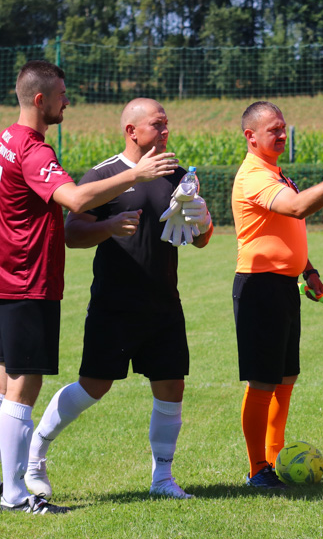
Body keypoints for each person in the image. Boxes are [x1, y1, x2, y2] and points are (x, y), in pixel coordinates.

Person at [0, 61, 177, 514]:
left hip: (11, 277)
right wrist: (134, 177)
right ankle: (17, 495)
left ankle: (10, 486)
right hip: (27, 280)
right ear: (40, 100)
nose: (67, 102)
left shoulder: (5, 142)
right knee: (23, 386)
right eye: (61, 95)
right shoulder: (34, 150)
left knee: (7, 387)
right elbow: (76, 202)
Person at [25, 98, 214, 502]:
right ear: (132, 131)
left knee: (171, 387)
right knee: (94, 386)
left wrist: (202, 218)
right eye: (158, 125)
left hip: (164, 303)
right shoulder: (104, 174)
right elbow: (71, 233)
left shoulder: (177, 175)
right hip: (115, 304)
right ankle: (36, 452)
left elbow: (200, 240)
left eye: (167, 124)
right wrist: (109, 226)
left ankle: (162, 479)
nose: (166, 131)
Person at [232, 101, 323, 488]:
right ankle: (257, 468)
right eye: (273, 130)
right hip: (258, 287)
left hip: (283, 285)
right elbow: (296, 208)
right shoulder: (253, 176)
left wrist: (307, 268)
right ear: (251, 136)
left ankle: (275, 458)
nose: (281, 135)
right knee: (263, 381)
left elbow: (289, 222)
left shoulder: (276, 173)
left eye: (283, 128)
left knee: (285, 377)